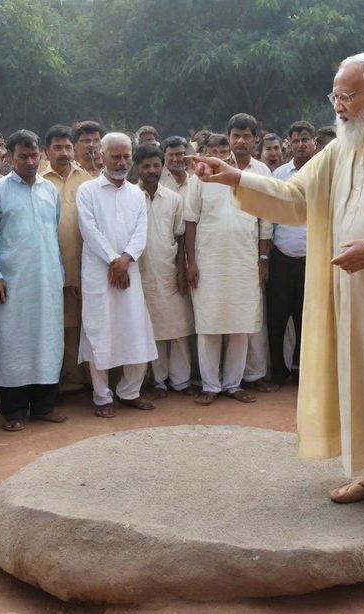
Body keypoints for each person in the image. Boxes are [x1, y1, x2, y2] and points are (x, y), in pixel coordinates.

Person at [191, 52, 364, 566]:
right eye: (335, 97)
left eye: (346, 97)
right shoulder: (342, 147)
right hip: (352, 300)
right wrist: (234, 179)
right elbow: (296, 197)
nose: (338, 108)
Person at [0, 129, 67, 431]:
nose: (30, 162)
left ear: (41, 154)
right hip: (11, 285)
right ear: (9, 158)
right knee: (11, 344)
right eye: (23, 156)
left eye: (34, 155)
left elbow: (51, 235)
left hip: (46, 281)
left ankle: (43, 407)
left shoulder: (49, 191)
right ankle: (14, 411)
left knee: (46, 342)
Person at [185, 113, 273, 405]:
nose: (239, 142)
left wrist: (263, 258)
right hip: (209, 260)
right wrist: (192, 262)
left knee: (240, 323)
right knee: (209, 323)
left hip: (245, 259)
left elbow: (266, 220)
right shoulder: (200, 174)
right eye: (235, 136)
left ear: (254, 139)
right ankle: (210, 385)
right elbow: (191, 220)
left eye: (247, 136)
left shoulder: (258, 172)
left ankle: (233, 384)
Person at [77, 133, 157, 417]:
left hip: (129, 269)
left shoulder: (136, 193)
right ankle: (102, 397)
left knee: (134, 329)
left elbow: (140, 232)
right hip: (100, 273)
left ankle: (129, 391)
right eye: (116, 157)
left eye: (126, 157)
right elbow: (89, 230)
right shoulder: (87, 191)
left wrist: (125, 260)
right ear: (102, 156)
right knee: (100, 331)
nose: (122, 162)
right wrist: (113, 261)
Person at [135, 144, 195, 397]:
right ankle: (159, 381)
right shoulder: (129, 197)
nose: (152, 170)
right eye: (146, 166)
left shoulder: (174, 199)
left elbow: (180, 238)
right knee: (154, 330)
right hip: (141, 273)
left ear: (163, 167)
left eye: (156, 165)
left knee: (179, 329)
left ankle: (181, 381)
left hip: (170, 270)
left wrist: (182, 271)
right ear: (137, 168)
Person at [40, 124, 92, 393]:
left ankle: (79, 380)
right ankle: (54, 381)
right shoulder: (36, 179)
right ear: (45, 150)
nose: (63, 152)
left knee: (79, 324)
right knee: (52, 326)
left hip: (81, 265)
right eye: (57, 147)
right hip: (46, 267)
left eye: (68, 147)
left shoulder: (85, 179)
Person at [266, 121, 316, 386]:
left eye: (305, 139)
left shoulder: (325, 172)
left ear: (314, 142)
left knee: (307, 319)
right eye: (295, 140)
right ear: (289, 143)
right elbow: (269, 218)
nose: (300, 145)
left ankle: (303, 374)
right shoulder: (279, 175)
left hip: (315, 260)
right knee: (277, 318)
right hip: (282, 258)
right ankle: (277, 372)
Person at [160, 136, 191, 201]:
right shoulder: (156, 180)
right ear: (164, 156)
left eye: (179, 154)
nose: (175, 159)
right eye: (171, 155)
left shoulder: (197, 177)